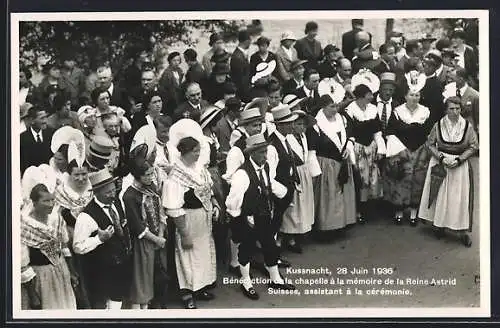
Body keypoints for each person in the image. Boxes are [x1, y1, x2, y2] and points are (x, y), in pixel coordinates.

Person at [225, 133, 296, 301]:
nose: (265, 156)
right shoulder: (242, 174)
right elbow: (233, 200)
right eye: (261, 153)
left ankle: (275, 279)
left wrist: (284, 194)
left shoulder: (265, 168)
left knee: (269, 245)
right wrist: (240, 219)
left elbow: (268, 185)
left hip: (264, 214)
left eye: (266, 152)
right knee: (246, 249)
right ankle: (246, 281)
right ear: (251, 154)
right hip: (248, 218)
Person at [162, 128, 219, 309]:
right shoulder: (175, 178)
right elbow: (173, 207)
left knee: (202, 253)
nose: (198, 154)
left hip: (203, 218)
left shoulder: (200, 168)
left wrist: (215, 203)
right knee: (187, 255)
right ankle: (187, 293)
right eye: (195, 151)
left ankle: (200, 287)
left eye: (198, 150)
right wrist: (184, 233)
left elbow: (208, 190)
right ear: (185, 152)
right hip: (187, 220)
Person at [418, 96, 478, 247]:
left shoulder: (467, 126)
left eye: (458, 108)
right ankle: (439, 225)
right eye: (452, 108)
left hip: (459, 166)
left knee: (459, 198)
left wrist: (459, 160)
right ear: (446, 109)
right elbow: (430, 144)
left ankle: (462, 231)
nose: (455, 112)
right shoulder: (438, 125)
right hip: (441, 162)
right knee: (440, 195)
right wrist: (441, 157)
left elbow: (473, 146)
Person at [73, 169, 133, 309]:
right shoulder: (86, 217)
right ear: (97, 193)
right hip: (101, 270)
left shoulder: (117, 202)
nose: (112, 195)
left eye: (113, 190)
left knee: (117, 299)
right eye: (108, 193)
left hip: (120, 265)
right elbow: (77, 247)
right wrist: (99, 239)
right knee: (102, 305)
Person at [21, 181, 78, 310]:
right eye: (46, 201)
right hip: (41, 276)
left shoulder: (56, 219)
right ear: (34, 203)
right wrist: (33, 295)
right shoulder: (25, 227)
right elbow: (23, 266)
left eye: (52, 200)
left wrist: (72, 271)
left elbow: (63, 246)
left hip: (61, 270)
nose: (51, 204)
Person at [308, 94, 357, 240]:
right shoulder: (316, 124)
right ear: (323, 107)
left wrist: (348, 146)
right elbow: (312, 149)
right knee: (328, 195)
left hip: (342, 161)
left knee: (341, 193)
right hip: (326, 163)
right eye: (332, 106)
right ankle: (327, 227)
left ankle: (341, 224)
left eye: (336, 105)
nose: (335, 109)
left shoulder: (342, 119)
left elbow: (350, 135)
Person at [383, 78, 431, 226]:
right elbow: (390, 131)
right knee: (400, 179)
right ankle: (398, 211)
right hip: (401, 150)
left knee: (418, 179)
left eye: (417, 95)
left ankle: (413, 213)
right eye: (411, 95)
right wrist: (400, 149)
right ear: (405, 96)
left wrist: (425, 149)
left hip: (420, 150)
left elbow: (429, 132)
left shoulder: (425, 112)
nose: (414, 98)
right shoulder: (397, 112)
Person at [53, 140, 93, 309]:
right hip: (71, 234)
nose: (81, 178)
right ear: (70, 174)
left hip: (91, 233)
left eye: (84, 174)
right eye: (76, 174)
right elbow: (59, 216)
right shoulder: (62, 190)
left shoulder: (91, 187)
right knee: (79, 271)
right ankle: (83, 303)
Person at [123, 161, 167, 309]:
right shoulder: (130, 195)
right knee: (142, 278)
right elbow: (137, 225)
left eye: (152, 173)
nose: (151, 177)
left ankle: (152, 305)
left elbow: (161, 212)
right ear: (137, 175)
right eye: (147, 175)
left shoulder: (152, 188)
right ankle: (139, 311)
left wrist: (160, 235)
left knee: (156, 274)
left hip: (157, 237)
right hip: (142, 241)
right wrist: (156, 239)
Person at [344, 81, 386, 223]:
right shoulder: (350, 110)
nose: (371, 96)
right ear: (361, 96)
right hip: (358, 148)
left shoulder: (373, 109)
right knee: (360, 179)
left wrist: (380, 148)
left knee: (373, 178)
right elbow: (349, 134)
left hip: (371, 148)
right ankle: (358, 211)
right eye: (369, 94)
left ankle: (369, 209)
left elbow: (378, 131)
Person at [279, 109, 320, 252]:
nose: (301, 127)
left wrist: (312, 173)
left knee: (303, 204)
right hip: (294, 172)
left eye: (303, 124)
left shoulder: (303, 137)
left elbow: (308, 155)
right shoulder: (287, 139)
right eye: (298, 124)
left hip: (304, 171)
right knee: (293, 206)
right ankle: (288, 236)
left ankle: (298, 234)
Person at [20, 106, 55, 175]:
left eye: (46, 117)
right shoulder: (22, 139)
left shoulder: (51, 134)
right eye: (42, 118)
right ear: (32, 120)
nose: (45, 121)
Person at [421, 54, 445, 126]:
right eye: (424, 65)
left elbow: (435, 108)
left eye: (430, 66)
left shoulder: (436, 85)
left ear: (435, 68)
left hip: (428, 121)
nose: (426, 68)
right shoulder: (419, 79)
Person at [454, 67, 479, 133]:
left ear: (460, 79)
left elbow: (478, 118)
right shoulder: (451, 92)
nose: (452, 80)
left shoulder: (475, 96)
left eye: (454, 78)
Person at [230, 30, 252, 103]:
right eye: (250, 40)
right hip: (243, 93)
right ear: (247, 41)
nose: (250, 43)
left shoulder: (239, 54)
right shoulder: (237, 57)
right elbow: (241, 79)